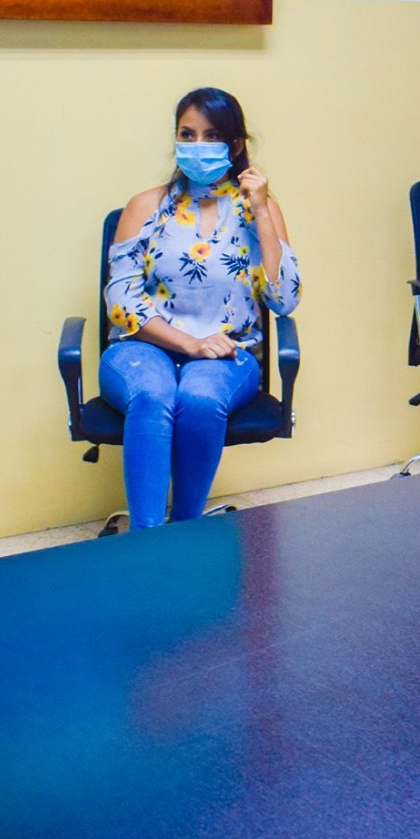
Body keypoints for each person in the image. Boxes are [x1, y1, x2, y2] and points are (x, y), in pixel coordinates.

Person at [102, 87, 299, 530]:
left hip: (228, 352)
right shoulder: (145, 206)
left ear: (234, 144)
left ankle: (187, 532)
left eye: (210, 136)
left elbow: (284, 299)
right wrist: (189, 344)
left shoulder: (257, 210)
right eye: (187, 134)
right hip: (143, 346)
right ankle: (147, 539)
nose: (196, 145)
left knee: (200, 397)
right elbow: (122, 301)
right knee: (151, 394)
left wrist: (262, 213)